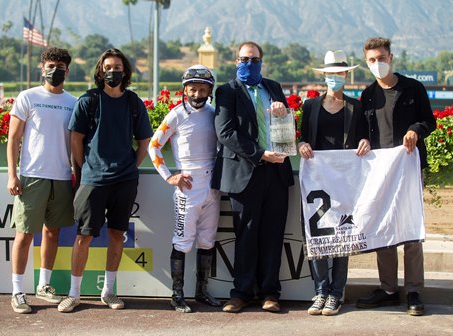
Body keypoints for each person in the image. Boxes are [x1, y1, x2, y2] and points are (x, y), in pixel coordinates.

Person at [57, 48, 153, 313]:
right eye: (108, 67)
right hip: (93, 179)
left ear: (126, 71)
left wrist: (132, 166)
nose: (113, 72)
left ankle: (109, 291)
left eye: (118, 67)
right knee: (83, 237)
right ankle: (74, 294)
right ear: (100, 71)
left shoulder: (133, 102)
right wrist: (82, 167)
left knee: (117, 235)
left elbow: (145, 140)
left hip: (125, 179)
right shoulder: (89, 100)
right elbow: (75, 138)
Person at [355, 37, 436, 316]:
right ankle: (388, 289)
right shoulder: (367, 95)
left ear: (391, 57)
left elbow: (430, 120)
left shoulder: (414, 88)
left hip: (409, 169)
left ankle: (413, 290)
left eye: (382, 57)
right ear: (367, 63)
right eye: (372, 60)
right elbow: (360, 134)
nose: (378, 63)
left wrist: (415, 129)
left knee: (411, 230)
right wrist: (363, 142)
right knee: (384, 229)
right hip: (379, 173)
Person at [212, 41, 294, 313]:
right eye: (245, 59)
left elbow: (284, 124)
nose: (250, 64)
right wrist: (259, 154)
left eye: (255, 60)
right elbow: (226, 133)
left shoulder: (273, 87)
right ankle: (242, 292)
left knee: (273, 235)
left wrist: (284, 116)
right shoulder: (226, 92)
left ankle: (270, 293)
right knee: (246, 235)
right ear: (236, 61)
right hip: (245, 173)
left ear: (262, 61)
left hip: (276, 172)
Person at [298, 50, 370, 316]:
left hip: (345, 180)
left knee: (342, 234)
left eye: (339, 74)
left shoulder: (356, 107)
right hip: (317, 180)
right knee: (316, 234)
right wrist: (302, 144)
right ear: (324, 77)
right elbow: (304, 138)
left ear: (346, 75)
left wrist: (365, 142)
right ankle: (320, 292)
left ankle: (336, 294)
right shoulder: (310, 106)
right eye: (330, 75)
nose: (335, 78)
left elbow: (365, 138)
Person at [7, 47, 77, 314]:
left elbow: (76, 143)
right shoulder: (28, 97)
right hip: (31, 176)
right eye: (50, 65)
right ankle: (17, 291)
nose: (54, 70)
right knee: (24, 234)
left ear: (67, 71)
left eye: (60, 66)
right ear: (42, 67)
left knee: (52, 232)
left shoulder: (73, 102)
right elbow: (13, 139)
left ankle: (44, 285)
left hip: (61, 176)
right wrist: (12, 174)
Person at [148, 65, 221, 313]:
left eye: (202, 89)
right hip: (188, 186)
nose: (197, 94)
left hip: (213, 185)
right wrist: (169, 177)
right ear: (184, 90)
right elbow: (153, 146)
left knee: (207, 241)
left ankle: (202, 291)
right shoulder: (176, 114)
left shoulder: (213, 113)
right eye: (192, 89)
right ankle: (177, 294)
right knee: (182, 241)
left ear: (210, 90)